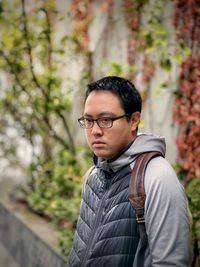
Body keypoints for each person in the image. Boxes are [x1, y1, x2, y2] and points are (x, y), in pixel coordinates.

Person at [67, 76, 191, 267]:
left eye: (106, 119)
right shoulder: (93, 175)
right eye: (88, 120)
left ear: (134, 121)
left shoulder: (157, 177)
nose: (95, 131)